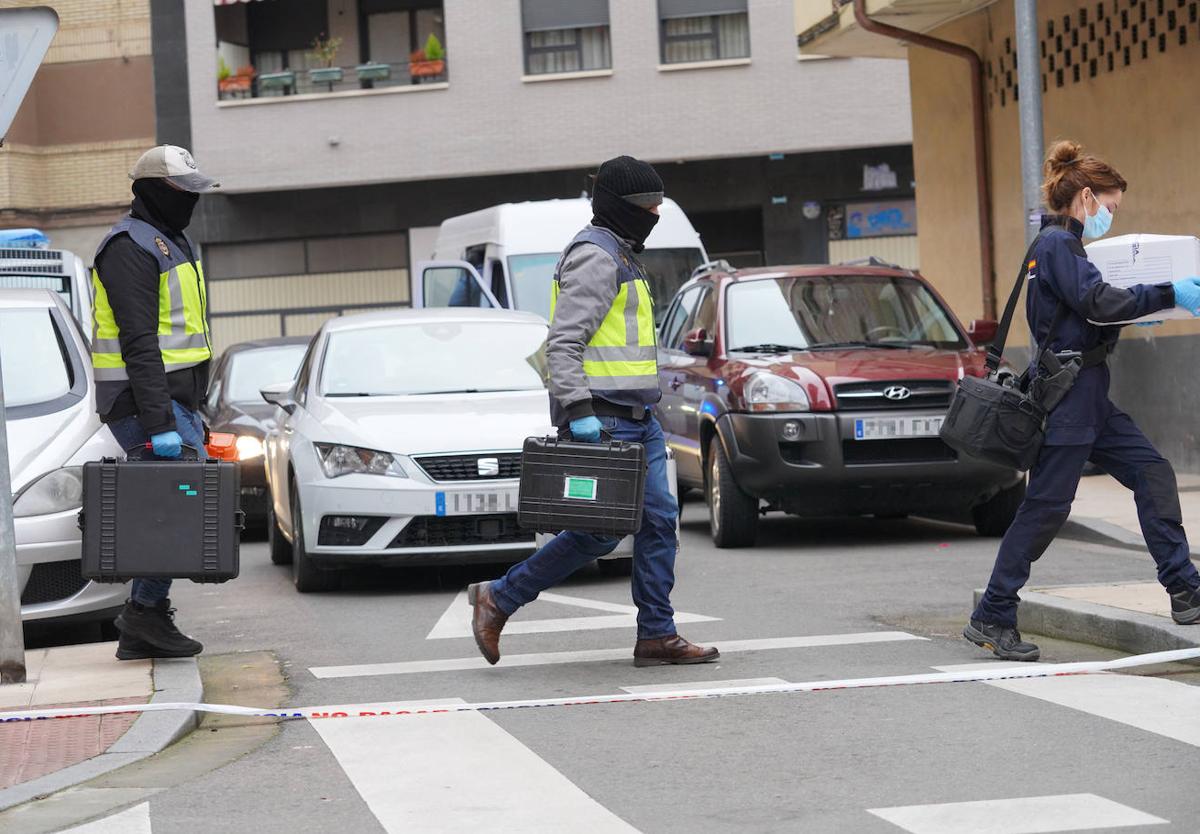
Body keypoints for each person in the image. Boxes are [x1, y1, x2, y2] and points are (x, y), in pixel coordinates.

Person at [467, 156, 718, 667]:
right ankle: (500, 597)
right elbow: (563, 344)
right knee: (602, 532)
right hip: (603, 419)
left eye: (658, 206)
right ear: (619, 207)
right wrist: (579, 412)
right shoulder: (597, 257)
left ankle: (656, 635)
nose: (654, 214)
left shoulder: (621, 253)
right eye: (647, 206)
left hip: (635, 417)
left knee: (657, 523)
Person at [965, 140, 1200, 661]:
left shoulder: (1062, 247)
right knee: (1046, 508)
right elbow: (1095, 301)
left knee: (1152, 471)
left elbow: (1089, 313)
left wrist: (1139, 312)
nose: (1111, 217)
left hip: (1089, 396)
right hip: (1069, 399)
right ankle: (993, 614)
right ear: (1087, 198)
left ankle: (1185, 590)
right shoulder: (1057, 246)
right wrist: (1169, 293)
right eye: (1111, 207)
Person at [91, 145, 220, 661]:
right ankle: (143, 613)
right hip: (144, 403)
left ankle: (140, 625)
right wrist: (160, 423)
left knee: (171, 507)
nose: (191, 201)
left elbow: (185, 339)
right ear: (152, 192)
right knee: (180, 506)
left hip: (172, 402)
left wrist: (193, 408)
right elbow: (140, 344)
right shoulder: (128, 247)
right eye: (183, 192)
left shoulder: (172, 241)